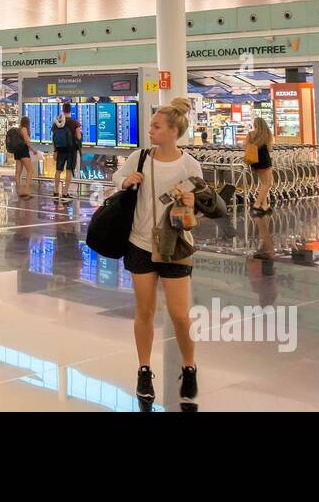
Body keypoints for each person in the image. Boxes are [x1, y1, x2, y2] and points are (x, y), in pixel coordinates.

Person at [111, 98, 204, 407]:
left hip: (176, 243)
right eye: (151, 125)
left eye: (156, 126)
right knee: (145, 312)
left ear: (173, 131)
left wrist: (190, 202)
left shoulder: (190, 164)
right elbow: (116, 180)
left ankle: (188, 367)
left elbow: (198, 209)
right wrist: (127, 180)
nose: (150, 130)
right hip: (140, 243)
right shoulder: (140, 158)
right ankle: (144, 369)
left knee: (179, 315)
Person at [51, 102, 82, 202]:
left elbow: (54, 138)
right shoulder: (74, 122)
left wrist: (55, 151)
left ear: (63, 110)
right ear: (70, 110)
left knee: (58, 171)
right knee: (69, 171)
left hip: (60, 150)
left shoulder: (57, 122)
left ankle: (56, 192)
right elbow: (79, 136)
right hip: (71, 151)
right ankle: (65, 193)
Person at [248, 117, 274, 216]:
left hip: (254, 160)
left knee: (264, 183)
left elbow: (246, 145)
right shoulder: (266, 133)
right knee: (267, 184)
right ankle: (256, 204)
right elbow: (269, 146)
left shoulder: (250, 134)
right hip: (264, 159)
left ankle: (265, 206)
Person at [10, 116, 35, 198]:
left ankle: (19, 190)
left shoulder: (19, 129)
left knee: (18, 172)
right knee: (30, 170)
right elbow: (27, 141)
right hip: (23, 151)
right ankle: (26, 190)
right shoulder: (24, 129)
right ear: (27, 123)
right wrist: (33, 150)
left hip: (17, 152)